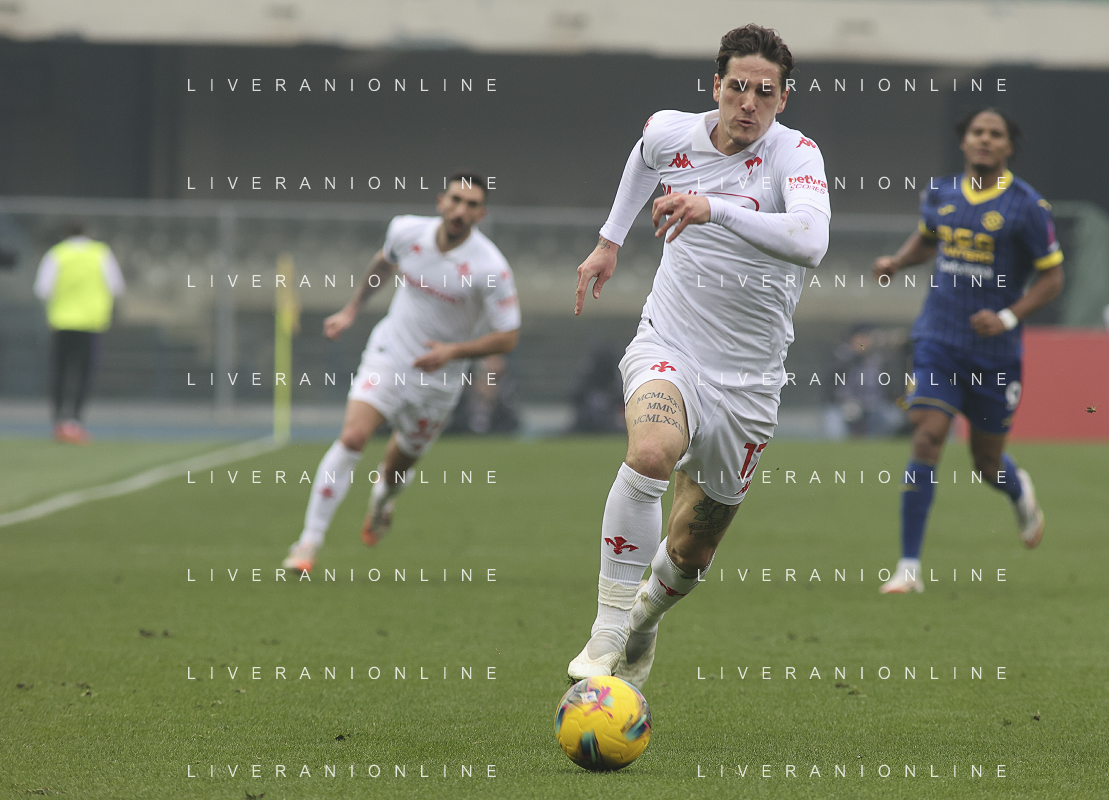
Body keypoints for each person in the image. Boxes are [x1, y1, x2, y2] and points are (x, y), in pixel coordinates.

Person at [566, 24, 830, 688]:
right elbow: (642, 156)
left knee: (692, 550)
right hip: (671, 343)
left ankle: (644, 619)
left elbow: (810, 240)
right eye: (737, 87)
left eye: (764, 92)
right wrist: (609, 241)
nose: (748, 102)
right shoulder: (671, 132)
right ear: (716, 86)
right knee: (651, 452)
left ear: (782, 99)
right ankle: (606, 634)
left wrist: (714, 208)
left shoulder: (794, 154)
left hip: (748, 381)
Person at [282, 174, 520, 573]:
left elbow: (509, 336)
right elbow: (384, 263)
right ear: (441, 201)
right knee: (353, 437)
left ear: (481, 214)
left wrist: (452, 352)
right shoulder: (405, 231)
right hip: (390, 355)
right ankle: (308, 542)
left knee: (396, 468)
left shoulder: (491, 267)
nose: (460, 210)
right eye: (455, 199)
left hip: (440, 379)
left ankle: (382, 500)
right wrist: (351, 310)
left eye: (471, 204)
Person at [872, 108, 1064, 594]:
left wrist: (1007, 317)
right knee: (927, 436)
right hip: (938, 338)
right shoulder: (941, 192)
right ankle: (908, 568)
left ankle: (1019, 492)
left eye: (995, 134)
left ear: (1008, 147)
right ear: (964, 142)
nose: (984, 139)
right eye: (977, 132)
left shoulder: (1027, 206)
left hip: (995, 353)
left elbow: (1052, 278)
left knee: (987, 463)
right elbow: (928, 239)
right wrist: (897, 261)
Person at [33, 220, 125, 443]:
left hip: (62, 322)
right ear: (87, 233)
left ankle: (58, 421)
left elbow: (42, 289)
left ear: (65, 234)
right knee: (83, 374)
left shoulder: (57, 254)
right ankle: (76, 419)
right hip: (90, 324)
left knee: (59, 373)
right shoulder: (100, 253)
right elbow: (116, 287)